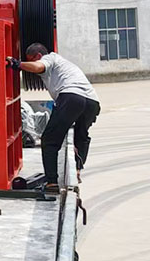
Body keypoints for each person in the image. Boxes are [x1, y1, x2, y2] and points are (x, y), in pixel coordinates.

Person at [7, 44, 100, 191]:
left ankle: (51, 182)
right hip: (92, 102)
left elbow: (38, 67)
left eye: (30, 60)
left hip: (71, 97)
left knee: (49, 140)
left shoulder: (49, 58)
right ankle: (77, 170)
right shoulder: (65, 64)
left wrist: (17, 64)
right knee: (81, 135)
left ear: (38, 56)